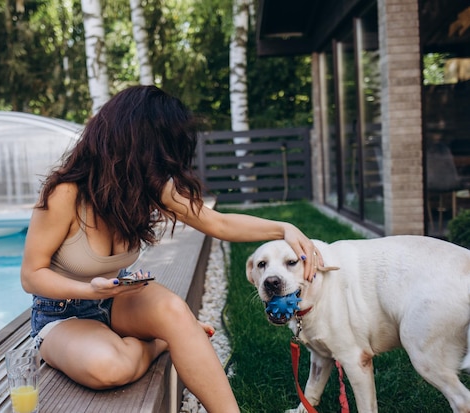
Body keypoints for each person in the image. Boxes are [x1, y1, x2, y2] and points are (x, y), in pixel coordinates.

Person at [20, 85, 321, 413]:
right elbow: (31, 276)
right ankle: (161, 341)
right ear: (138, 143)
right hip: (63, 312)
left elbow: (217, 224)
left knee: (177, 312)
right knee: (111, 367)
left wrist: (283, 228)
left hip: (116, 298)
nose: (170, 164)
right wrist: (89, 291)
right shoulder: (64, 194)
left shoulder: (144, 186)